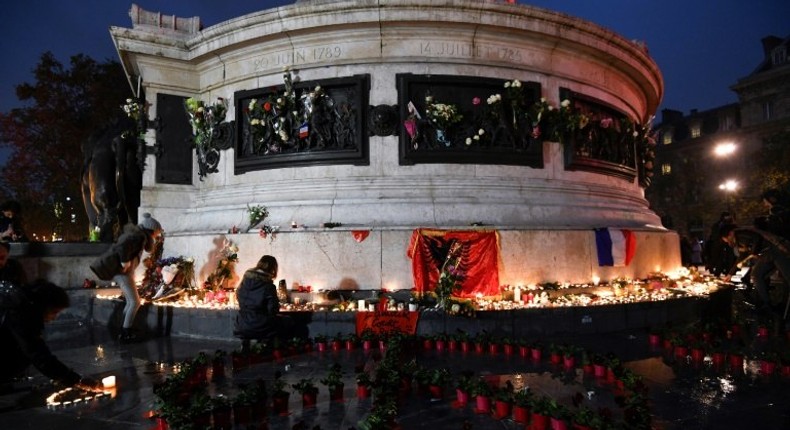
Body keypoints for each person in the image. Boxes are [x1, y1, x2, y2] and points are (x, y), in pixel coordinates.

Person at [0, 279, 103, 392]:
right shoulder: (21, 316)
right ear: (44, 306)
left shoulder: (22, 306)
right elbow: (40, 356)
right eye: (54, 312)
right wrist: (77, 380)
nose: (54, 318)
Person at [90, 213, 163, 342]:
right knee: (135, 302)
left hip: (124, 273)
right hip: (122, 273)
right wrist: (125, 261)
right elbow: (123, 246)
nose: (156, 237)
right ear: (151, 230)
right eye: (156, 233)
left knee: (131, 302)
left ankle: (123, 328)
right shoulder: (139, 236)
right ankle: (125, 333)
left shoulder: (139, 235)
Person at [234, 255, 293, 350]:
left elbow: (239, 297)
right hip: (259, 324)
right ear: (273, 269)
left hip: (241, 323)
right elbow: (273, 310)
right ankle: (272, 346)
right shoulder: (268, 286)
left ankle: (246, 344)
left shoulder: (245, 281)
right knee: (287, 321)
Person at [750, 188, 790, 316]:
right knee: (757, 273)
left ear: (771, 199)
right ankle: (769, 305)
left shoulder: (778, 212)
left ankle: (778, 309)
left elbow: (775, 234)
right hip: (774, 251)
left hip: (781, 251)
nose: (765, 204)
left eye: (765, 201)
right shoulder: (777, 212)